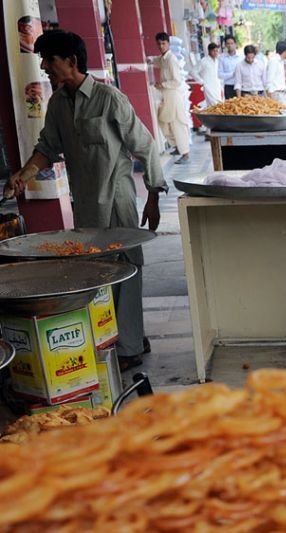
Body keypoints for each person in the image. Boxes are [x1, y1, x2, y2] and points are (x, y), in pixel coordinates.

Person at [4, 31, 167, 371]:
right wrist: (24, 174)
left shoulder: (110, 99)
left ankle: (130, 348)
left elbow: (146, 146)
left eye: (50, 60)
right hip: (88, 208)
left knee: (128, 270)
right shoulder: (58, 105)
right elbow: (47, 149)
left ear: (72, 61)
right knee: (99, 274)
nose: (45, 67)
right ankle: (123, 336)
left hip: (119, 200)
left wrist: (153, 196)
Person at [154, 32, 190, 163]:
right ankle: (177, 146)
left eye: (163, 43)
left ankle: (185, 153)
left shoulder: (171, 59)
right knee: (163, 121)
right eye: (159, 44)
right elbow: (156, 61)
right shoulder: (163, 58)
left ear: (168, 44)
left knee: (176, 123)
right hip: (166, 95)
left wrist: (162, 84)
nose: (161, 46)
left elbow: (177, 81)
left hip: (173, 94)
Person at [195, 42, 223, 107]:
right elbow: (193, 72)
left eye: (216, 51)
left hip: (217, 86)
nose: (215, 53)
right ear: (209, 51)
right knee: (213, 105)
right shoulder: (203, 61)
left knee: (219, 105)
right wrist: (201, 81)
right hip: (208, 87)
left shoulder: (218, 61)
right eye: (213, 51)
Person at [266, 40, 286, 105]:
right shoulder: (273, 61)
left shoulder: (281, 62)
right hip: (277, 94)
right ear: (285, 51)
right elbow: (269, 80)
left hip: (283, 93)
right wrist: (271, 98)